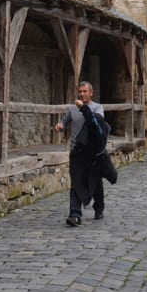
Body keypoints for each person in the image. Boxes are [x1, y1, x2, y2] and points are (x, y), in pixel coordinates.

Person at [54, 80, 107, 226]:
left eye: (85, 91)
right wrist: (61, 126)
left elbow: (96, 127)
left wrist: (84, 108)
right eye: (80, 91)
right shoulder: (72, 109)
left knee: (95, 182)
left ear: (91, 93)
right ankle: (74, 214)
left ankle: (99, 207)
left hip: (93, 153)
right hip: (76, 152)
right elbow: (65, 122)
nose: (82, 94)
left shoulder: (98, 108)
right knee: (76, 182)